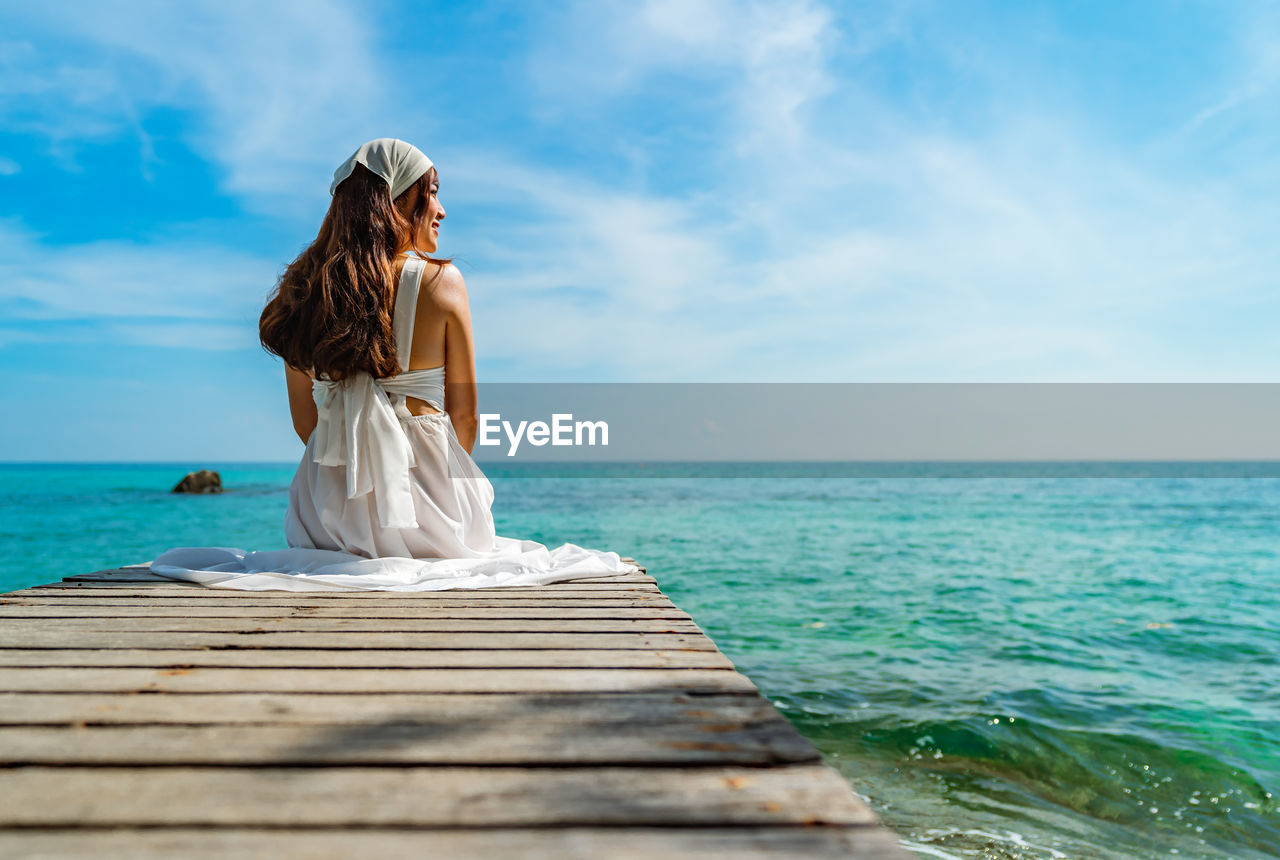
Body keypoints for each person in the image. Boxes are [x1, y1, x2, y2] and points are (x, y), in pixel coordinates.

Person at [150, 139, 636, 591]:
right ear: (398, 200)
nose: (442, 210)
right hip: (430, 506)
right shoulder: (441, 282)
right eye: (433, 194)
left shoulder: (300, 295)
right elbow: (464, 418)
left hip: (326, 513)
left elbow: (307, 426)